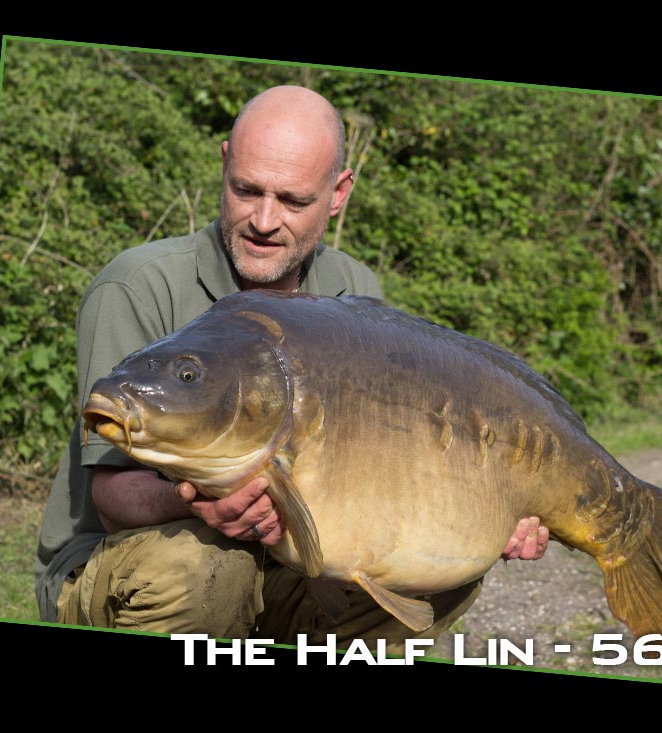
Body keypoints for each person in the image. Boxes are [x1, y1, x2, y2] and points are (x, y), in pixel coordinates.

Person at [34, 85, 550, 650]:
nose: (263, 219)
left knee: (431, 573)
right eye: (246, 190)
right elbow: (110, 497)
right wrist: (198, 503)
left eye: (293, 201)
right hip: (127, 566)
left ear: (338, 193)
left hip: (279, 567)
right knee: (209, 565)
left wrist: (488, 519)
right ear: (225, 164)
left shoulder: (351, 291)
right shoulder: (137, 286)